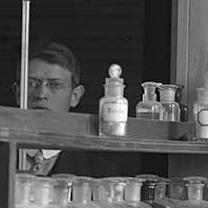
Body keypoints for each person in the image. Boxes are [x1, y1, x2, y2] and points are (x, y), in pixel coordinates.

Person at [12, 38, 134, 178]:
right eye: (31, 84)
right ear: (18, 93)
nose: (41, 94)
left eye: (55, 85)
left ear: (75, 96)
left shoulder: (100, 174)